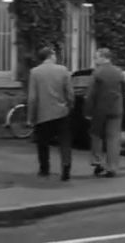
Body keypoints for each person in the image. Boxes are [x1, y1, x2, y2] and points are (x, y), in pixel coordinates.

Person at [27, 46, 74, 181]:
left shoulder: (35, 72)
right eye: (54, 54)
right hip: (61, 112)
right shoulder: (63, 70)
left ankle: (44, 168)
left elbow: (33, 98)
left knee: (43, 142)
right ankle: (66, 168)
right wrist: (70, 106)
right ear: (51, 56)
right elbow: (70, 93)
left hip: (43, 113)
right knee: (65, 142)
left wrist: (31, 117)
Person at [84, 48, 125, 178]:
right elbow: (124, 91)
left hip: (100, 109)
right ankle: (112, 167)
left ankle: (98, 162)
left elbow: (91, 95)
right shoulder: (119, 72)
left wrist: (88, 111)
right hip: (116, 109)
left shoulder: (97, 73)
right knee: (113, 138)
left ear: (103, 57)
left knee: (96, 136)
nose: (95, 60)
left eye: (96, 57)